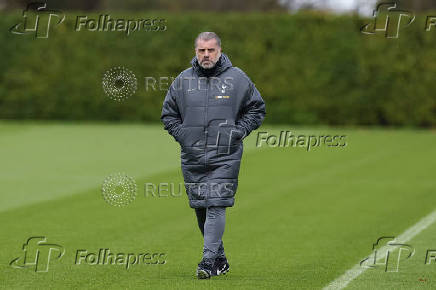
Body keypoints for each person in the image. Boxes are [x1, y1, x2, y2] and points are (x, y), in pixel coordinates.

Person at [161, 31, 266, 279]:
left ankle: (207, 262)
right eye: (201, 50)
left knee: (216, 205)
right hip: (193, 157)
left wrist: (238, 132)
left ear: (219, 51)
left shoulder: (238, 78)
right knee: (200, 208)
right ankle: (220, 259)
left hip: (225, 157)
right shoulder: (183, 80)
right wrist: (185, 136)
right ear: (195, 52)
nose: (206, 55)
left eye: (210, 50)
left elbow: (257, 108)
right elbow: (168, 115)